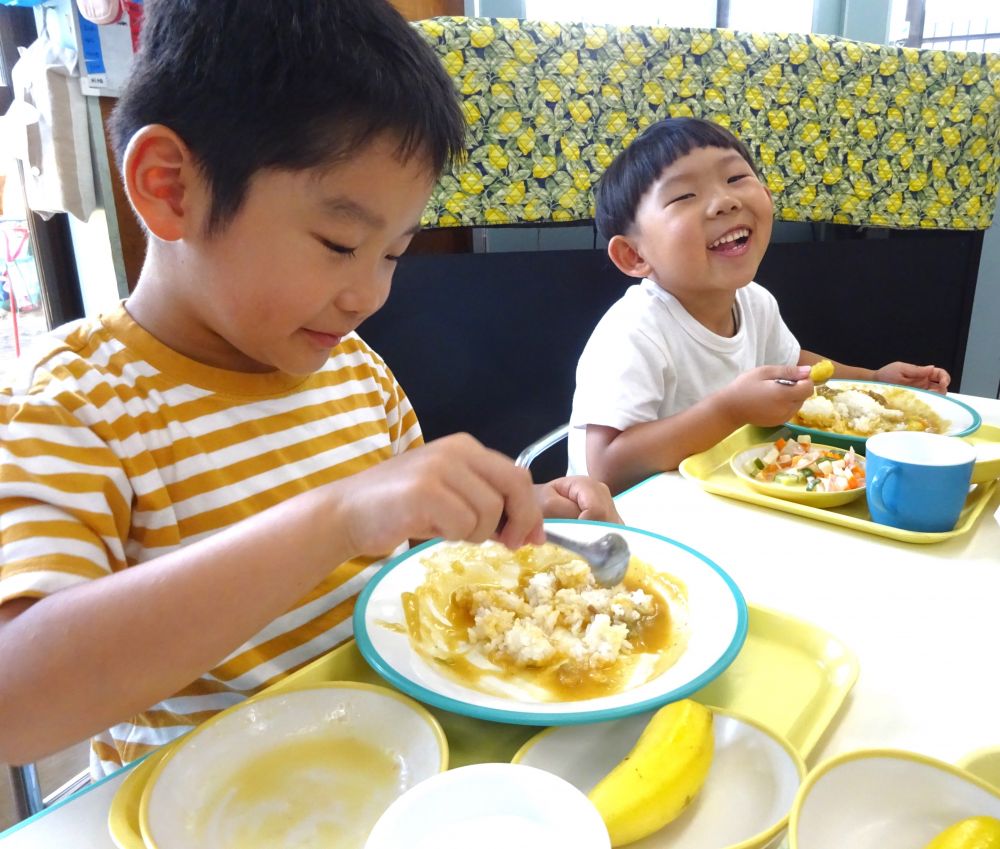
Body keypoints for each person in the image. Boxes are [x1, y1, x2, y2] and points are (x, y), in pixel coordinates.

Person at [0, 0, 618, 776]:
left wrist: (514, 517)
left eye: (393, 254)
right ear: (170, 188)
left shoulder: (358, 376)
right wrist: (337, 515)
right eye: (340, 243)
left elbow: (417, 557)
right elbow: (14, 706)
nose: (369, 294)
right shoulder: (77, 405)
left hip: (391, 768)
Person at [569, 117, 950, 493]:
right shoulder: (634, 332)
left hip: (720, 494)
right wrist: (729, 411)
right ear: (634, 255)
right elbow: (606, 468)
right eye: (684, 196)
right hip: (631, 523)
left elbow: (794, 364)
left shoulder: (755, 301)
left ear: (767, 196)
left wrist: (872, 379)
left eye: (735, 178)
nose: (724, 201)